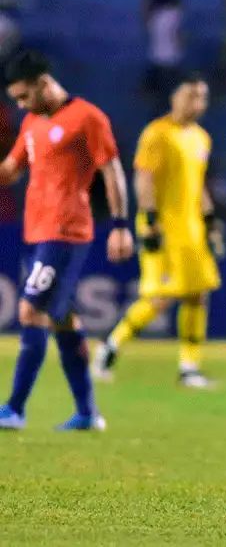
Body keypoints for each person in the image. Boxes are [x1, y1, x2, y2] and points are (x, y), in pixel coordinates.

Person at [0, 50, 134, 430]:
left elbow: (112, 172)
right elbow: (10, 170)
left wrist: (122, 224)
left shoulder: (87, 118)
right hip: (37, 231)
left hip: (66, 230)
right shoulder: (31, 123)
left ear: (44, 83)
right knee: (62, 317)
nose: (21, 104)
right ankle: (88, 413)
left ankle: (14, 409)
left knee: (30, 310)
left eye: (24, 96)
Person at [93, 74, 224, 389]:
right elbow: (144, 178)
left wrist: (211, 221)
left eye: (203, 97)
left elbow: (199, 184)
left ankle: (189, 367)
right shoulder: (157, 133)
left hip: (192, 229)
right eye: (192, 95)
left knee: (198, 294)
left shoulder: (201, 138)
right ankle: (109, 348)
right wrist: (150, 220)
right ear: (175, 98)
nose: (198, 103)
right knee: (160, 297)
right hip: (163, 227)